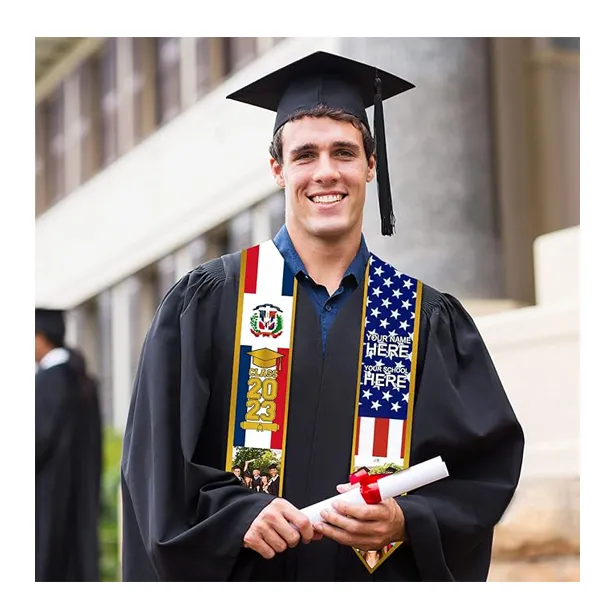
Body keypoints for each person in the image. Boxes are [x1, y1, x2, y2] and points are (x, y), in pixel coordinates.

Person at [121, 50, 524, 582]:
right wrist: (238, 514)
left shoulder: (425, 317)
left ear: (370, 165)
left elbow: (482, 470)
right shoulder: (209, 302)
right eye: (305, 154)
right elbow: (157, 464)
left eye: (344, 152)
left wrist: (405, 518)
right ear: (277, 169)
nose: (326, 172)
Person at [35, 308, 103, 581]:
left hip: (48, 496)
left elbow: (37, 440)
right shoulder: (82, 378)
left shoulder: (48, 381)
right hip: (80, 492)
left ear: (41, 338)